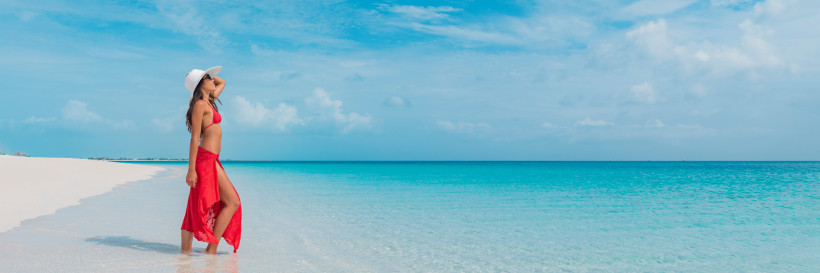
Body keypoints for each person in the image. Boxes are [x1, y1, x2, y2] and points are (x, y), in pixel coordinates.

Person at [180, 66, 242, 254]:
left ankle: (187, 251)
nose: (212, 80)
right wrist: (191, 169)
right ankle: (211, 250)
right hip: (205, 160)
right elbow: (194, 138)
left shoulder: (209, 101)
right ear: (201, 85)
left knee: (195, 204)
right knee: (233, 202)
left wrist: (204, 76)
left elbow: (222, 82)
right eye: (208, 78)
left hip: (213, 159)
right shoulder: (199, 105)